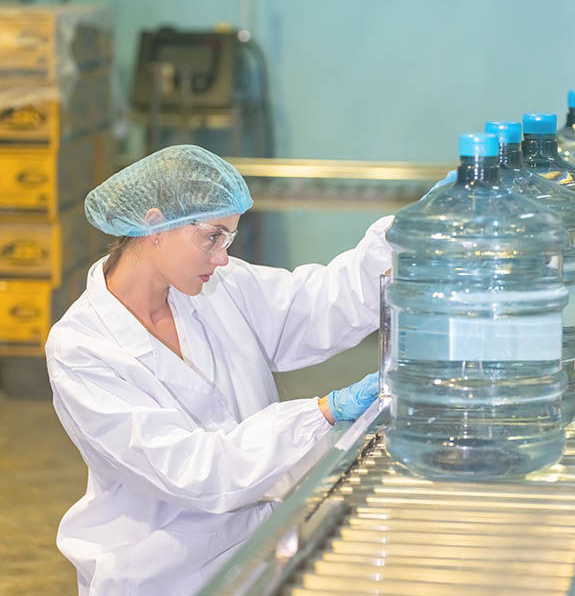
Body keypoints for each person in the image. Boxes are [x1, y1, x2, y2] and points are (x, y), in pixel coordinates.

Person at [45, 145, 393, 595]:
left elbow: (317, 304)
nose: (223, 257)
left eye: (228, 239)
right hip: (159, 576)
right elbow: (193, 471)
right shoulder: (82, 348)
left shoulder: (216, 287)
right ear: (154, 224)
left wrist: (397, 239)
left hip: (254, 551)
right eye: (212, 237)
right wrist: (322, 412)